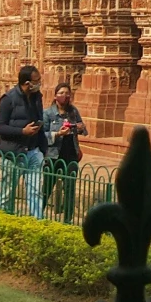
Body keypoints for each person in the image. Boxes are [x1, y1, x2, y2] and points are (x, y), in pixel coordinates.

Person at [0, 63, 47, 217]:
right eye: (36, 81)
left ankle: (37, 223)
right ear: (27, 83)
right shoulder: (8, 99)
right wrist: (22, 131)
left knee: (36, 191)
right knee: (7, 191)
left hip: (33, 151)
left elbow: (39, 121)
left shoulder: (37, 97)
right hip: (14, 152)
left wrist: (43, 150)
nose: (39, 84)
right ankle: (3, 219)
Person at [42, 81, 88, 218]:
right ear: (56, 96)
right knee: (47, 187)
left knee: (69, 188)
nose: (65, 96)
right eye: (61, 93)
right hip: (53, 155)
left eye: (67, 93)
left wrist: (81, 128)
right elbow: (41, 136)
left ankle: (68, 218)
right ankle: (38, 214)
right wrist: (57, 134)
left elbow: (83, 129)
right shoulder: (48, 113)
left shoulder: (73, 111)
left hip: (70, 154)